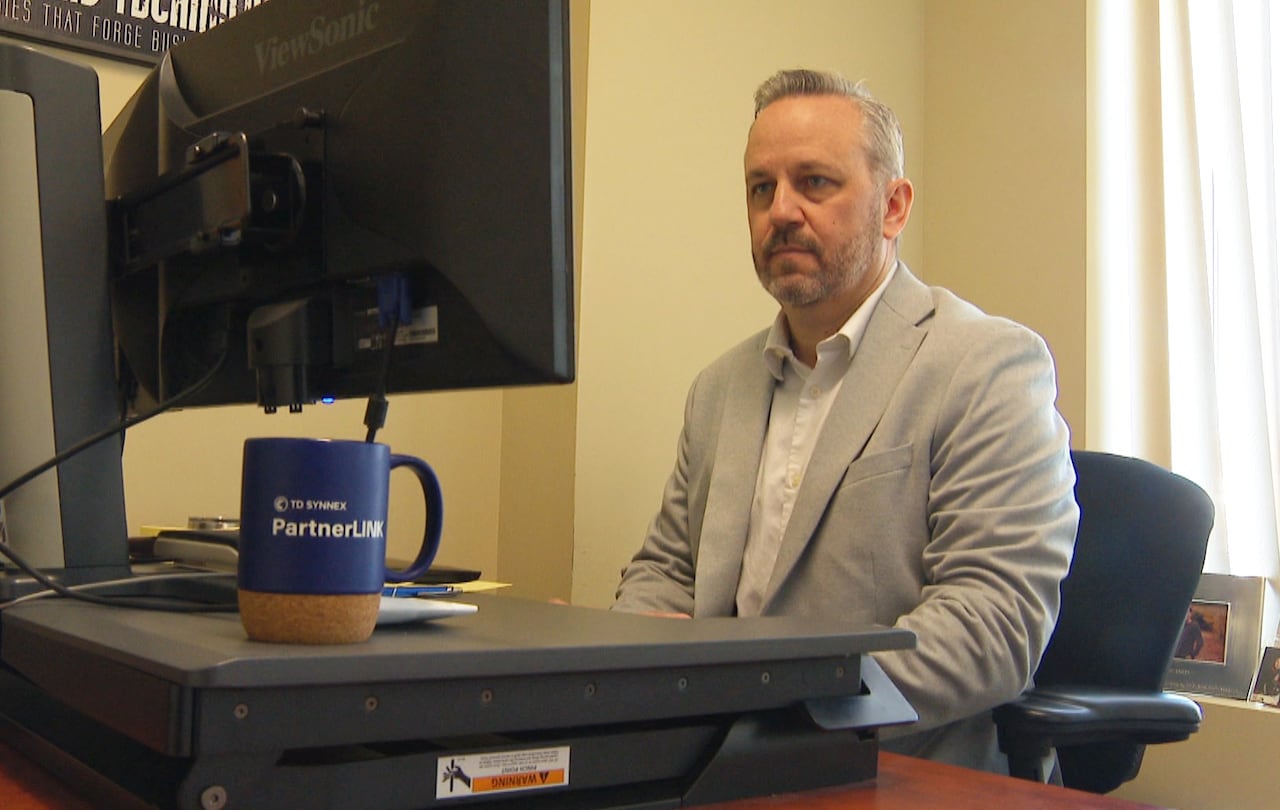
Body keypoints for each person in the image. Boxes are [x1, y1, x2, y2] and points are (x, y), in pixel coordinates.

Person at [611, 68, 1079, 774]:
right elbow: (664, 573)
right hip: (711, 765)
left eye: (816, 183)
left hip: (895, 771)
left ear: (894, 207)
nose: (782, 211)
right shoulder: (720, 389)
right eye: (761, 188)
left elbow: (994, 623)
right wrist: (639, 649)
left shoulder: (985, 365)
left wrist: (782, 710)